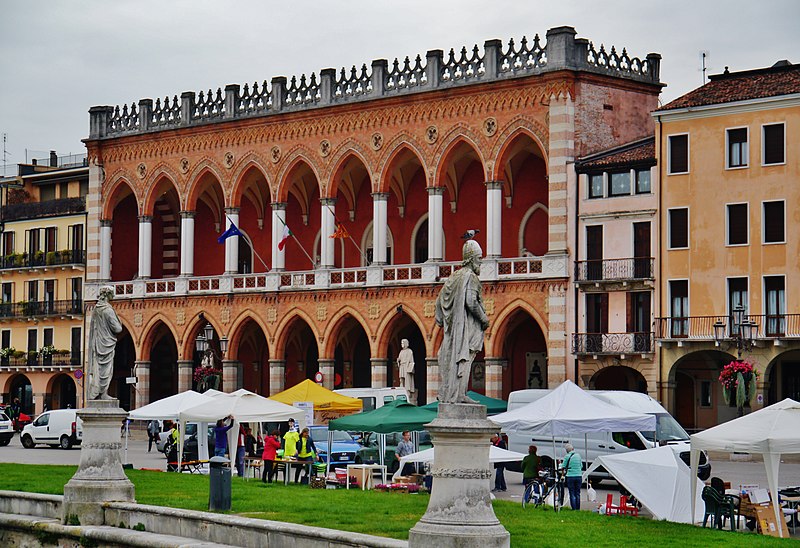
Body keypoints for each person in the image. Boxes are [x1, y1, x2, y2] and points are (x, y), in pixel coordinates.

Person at [435, 240, 489, 403]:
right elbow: (471, 301)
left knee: (453, 358)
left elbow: (439, 302)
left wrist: (445, 319)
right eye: (479, 258)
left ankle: (455, 394)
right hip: (467, 327)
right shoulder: (471, 277)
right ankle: (459, 395)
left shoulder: (453, 277)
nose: (480, 262)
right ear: (472, 259)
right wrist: (484, 318)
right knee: (464, 359)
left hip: (453, 330)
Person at [87, 286, 123, 400]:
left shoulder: (96, 309)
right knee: (106, 370)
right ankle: (103, 394)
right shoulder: (108, 310)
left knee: (98, 368)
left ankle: (99, 393)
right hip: (106, 344)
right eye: (112, 294)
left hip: (98, 343)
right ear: (108, 295)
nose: (114, 296)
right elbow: (118, 329)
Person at [560, 443, 583, 510]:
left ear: (567, 450)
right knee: (578, 493)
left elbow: (563, 466)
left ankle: (574, 508)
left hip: (570, 476)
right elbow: (581, 466)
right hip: (579, 476)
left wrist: (560, 464)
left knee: (572, 493)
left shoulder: (567, 456)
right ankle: (578, 509)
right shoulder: (578, 456)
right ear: (572, 449)